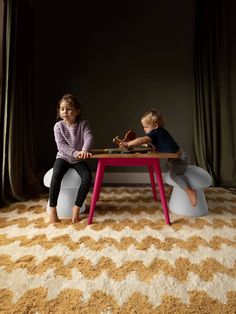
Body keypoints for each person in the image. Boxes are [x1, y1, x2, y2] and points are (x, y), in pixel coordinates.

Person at [119, 109, 197, 207]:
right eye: (143, 127)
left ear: (155, 126)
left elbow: (143, 140)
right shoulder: (159, 133)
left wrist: (128, 143)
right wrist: (136, 143)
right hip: (173, 159)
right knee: (169, 170)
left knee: (173, 175)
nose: (144, 129)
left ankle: (190, 192)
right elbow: (152, 145)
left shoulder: (156, 132)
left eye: (146, 127)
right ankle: (171, 191)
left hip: (181, 159)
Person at [49, 94, 93, 223]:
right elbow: (61, 145)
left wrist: (84, 150)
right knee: (56, 176)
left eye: (69, 109)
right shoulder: (58, 126)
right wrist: (75, 153)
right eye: (62, 109)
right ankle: (53, 209)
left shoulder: (83, 124)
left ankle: (77, 207)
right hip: (63, 157)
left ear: (77, 111)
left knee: (87, 177)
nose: (65, 112)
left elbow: (88, 137)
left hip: (79, 159)